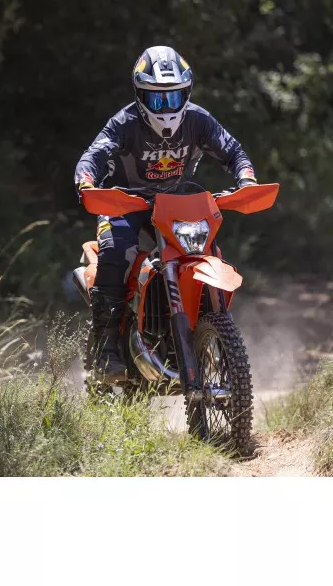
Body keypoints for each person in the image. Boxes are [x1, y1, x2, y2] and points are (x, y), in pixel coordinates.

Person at [74, 45, 257, 385]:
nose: (166, 106)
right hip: (125, 205)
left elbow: (233, 150)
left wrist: (246, 179)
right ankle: (106, 349)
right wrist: (86, 181)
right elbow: (93, 156)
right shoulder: (125, 123)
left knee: (209, 250)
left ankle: (206, 330)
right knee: (116, 250)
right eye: (156, 99)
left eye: (173, 97)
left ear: (186, 92)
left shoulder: (198, 120)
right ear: (140, 94)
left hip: (177, 206)